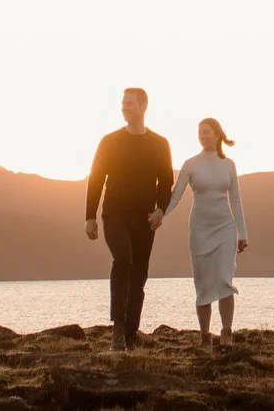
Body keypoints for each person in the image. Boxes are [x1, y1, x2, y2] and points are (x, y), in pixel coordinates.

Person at [84, 86, 173, 351]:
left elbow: (165, 183)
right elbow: (96, 179)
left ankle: (132, 332)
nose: (124, 107)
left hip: (144, 218)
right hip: (115, 214)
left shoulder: (160, 143)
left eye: (129, 104)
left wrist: (160, 211)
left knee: (140, 274)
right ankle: (118, 331)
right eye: (123, 103)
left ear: (143, 107)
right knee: (123, 260)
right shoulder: (109, 141)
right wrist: (90, 216)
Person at [151, 117, 249, 346]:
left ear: (217, 135)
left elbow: (235, 201)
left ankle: (226, 333)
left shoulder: (229, 165)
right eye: (200, 132)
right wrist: (160, 215)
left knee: (225, 278)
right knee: (203, 283)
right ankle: (205, 335)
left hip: (225, 227)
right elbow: (175, 197)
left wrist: (242, 233)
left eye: (207, 132)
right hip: (200, 230)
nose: (203, 135)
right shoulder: (191, 164)